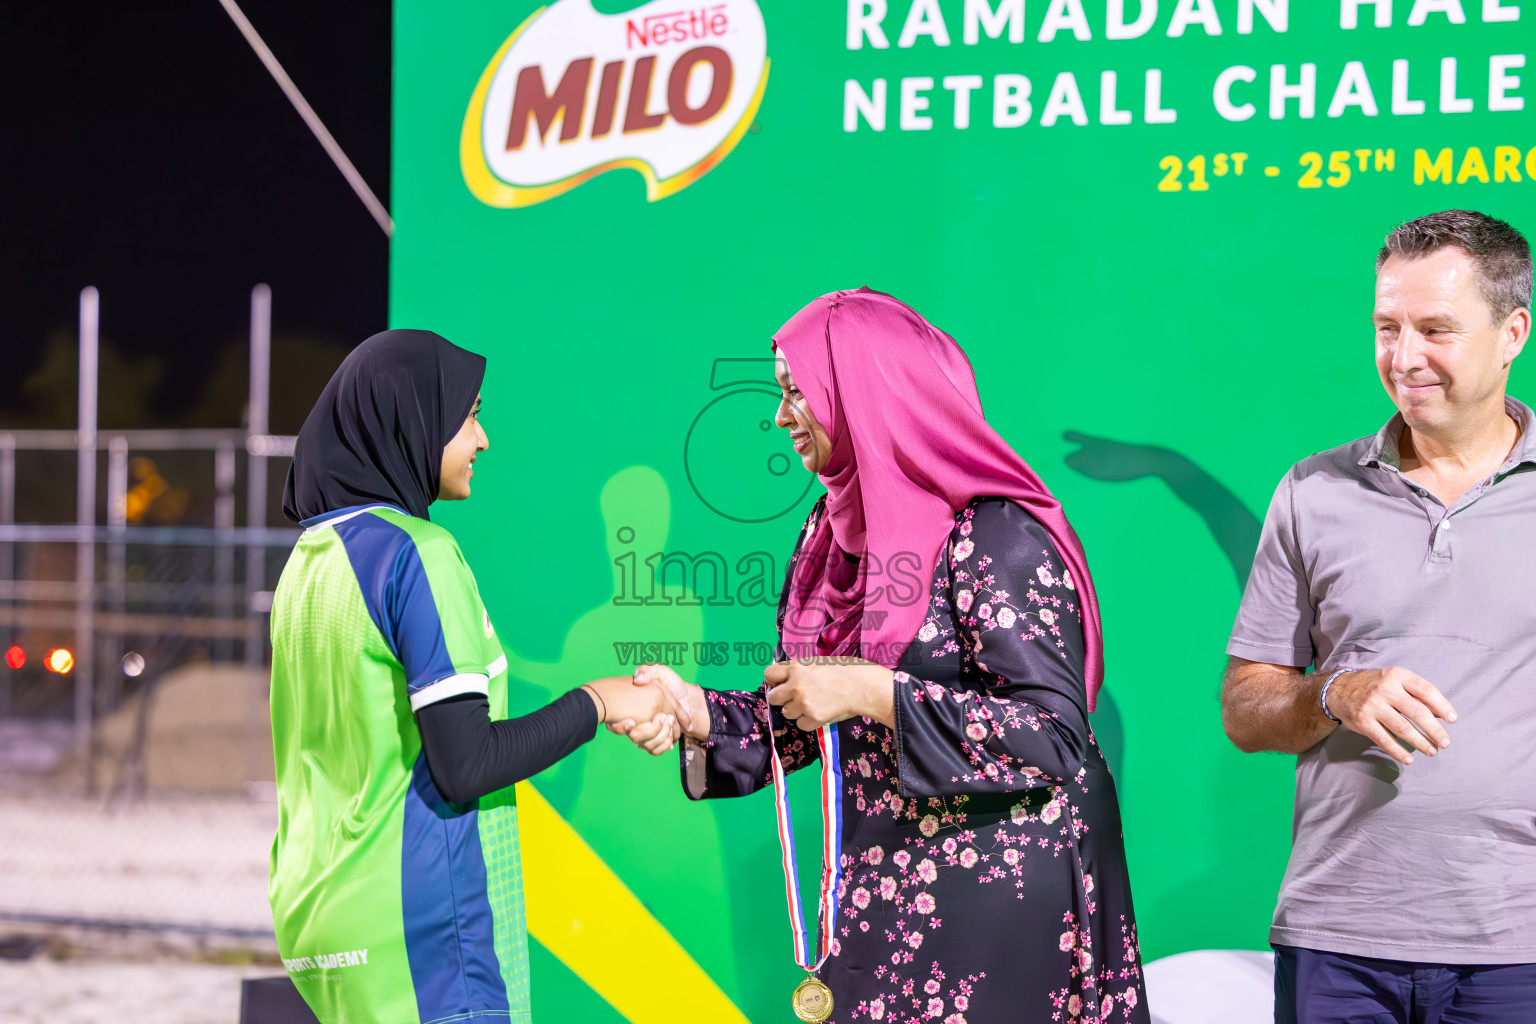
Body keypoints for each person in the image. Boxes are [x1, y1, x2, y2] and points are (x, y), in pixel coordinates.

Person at [618, 289, 1149, 1023]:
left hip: (1007, 926)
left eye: (796, 392)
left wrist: (876, 692)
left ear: (861, 390)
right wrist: (696, 710)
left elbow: (1054, 739)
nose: (779, 418)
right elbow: (815, 711)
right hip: (884, 911)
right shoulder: (831, 535)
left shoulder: (993, 534)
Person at [267, 329, 682, 1024]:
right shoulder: (419, 554)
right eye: (467, 416)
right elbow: (466, 764)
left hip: (317, 917)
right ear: (410, 417)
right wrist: (599, 701)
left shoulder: (307, 564)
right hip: (418, 927)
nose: (482, 438)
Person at [1221, 210, 1536, 1023]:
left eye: (1435, 329)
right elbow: (1247, 710)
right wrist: (1335, 693)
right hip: (1338, 939)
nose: (1403, 358)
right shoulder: (1312, 490)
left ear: (1513, 333)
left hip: (1519, 947)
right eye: (1386, 327)